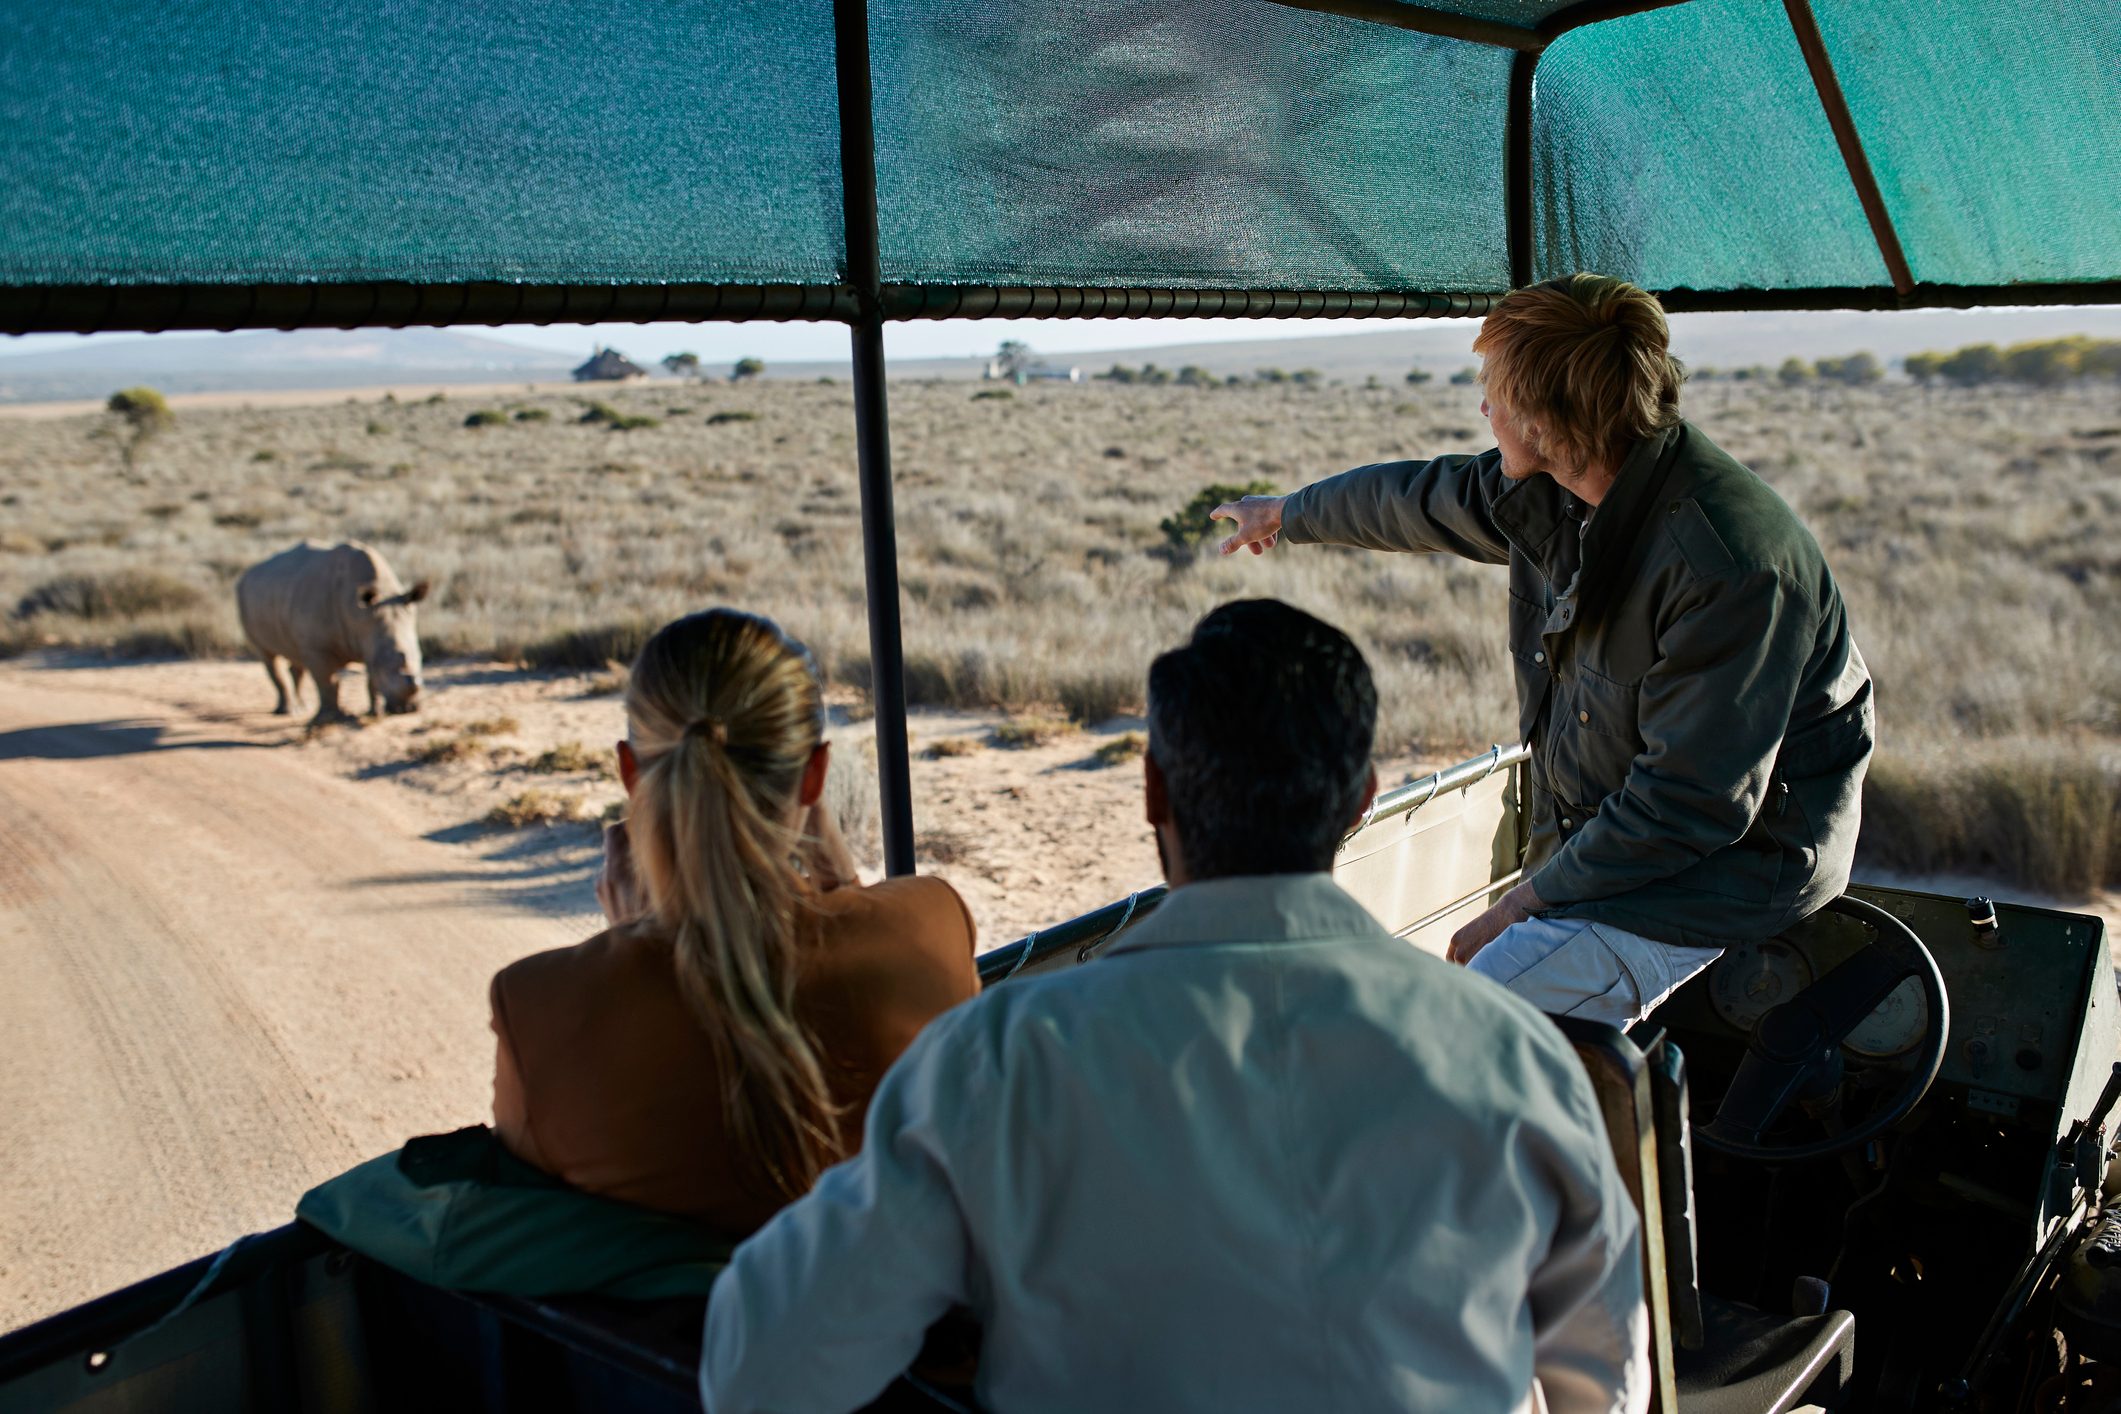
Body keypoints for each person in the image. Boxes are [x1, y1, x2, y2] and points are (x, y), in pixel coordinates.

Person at [701, 600, 1648, 1414]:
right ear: (1360, 801)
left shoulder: (1004, 1060)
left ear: (1152, 790)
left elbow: (766, 1370)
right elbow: (1608, 1382)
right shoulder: (1513, 1057)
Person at [1211, 274, 1873, 1028]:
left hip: (1725, 872)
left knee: (1470, 1025)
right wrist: (1287, 513)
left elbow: (1689, 804)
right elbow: (1420, 500)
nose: (1483, 408)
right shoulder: (1562, 491)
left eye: (1493, 391)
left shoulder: (1726, 566)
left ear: (1546, 418)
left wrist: (1523, 903)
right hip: (1615, 846)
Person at [487, 609, 980, 1234]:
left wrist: (628, 940)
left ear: (631, 775)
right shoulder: (932, 924)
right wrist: (840, 877)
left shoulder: (538, 1006)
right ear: (816, 777)